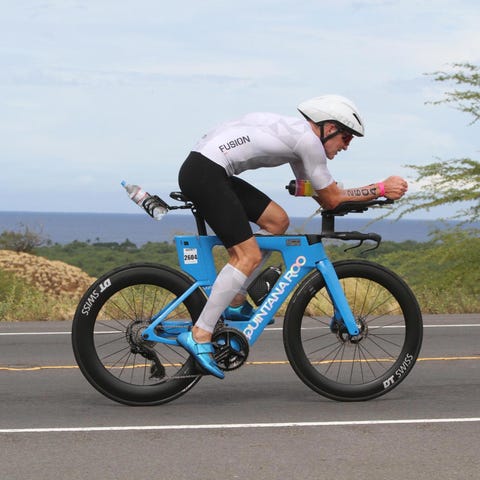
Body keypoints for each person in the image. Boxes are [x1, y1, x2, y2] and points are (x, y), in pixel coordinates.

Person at [176, 94, 408, 379]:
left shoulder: (299, 139)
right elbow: (331, 199)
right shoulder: (309, 142)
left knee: (277, 221)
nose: (346, 146)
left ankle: (235, 299)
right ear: (329, 128)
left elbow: (315, 191)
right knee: (246, 255)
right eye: (346, 137)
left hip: (206, 169)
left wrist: (345, 194)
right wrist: (380, 189)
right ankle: (200, 334)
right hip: (206, 173)